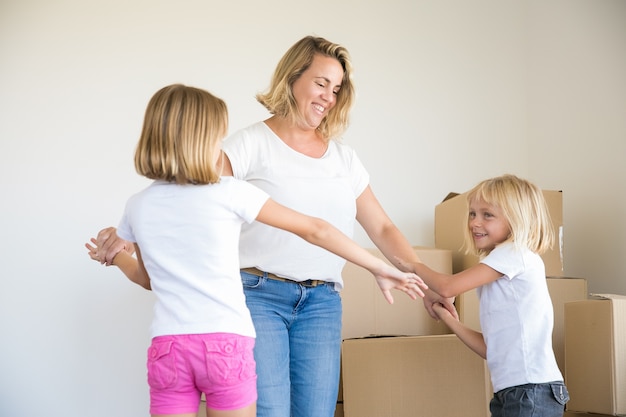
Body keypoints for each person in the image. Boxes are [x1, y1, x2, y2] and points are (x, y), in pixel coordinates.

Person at [92, 35, 454, 417]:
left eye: (337, 88)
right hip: (259, 296)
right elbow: (188, 197)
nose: (329, 97)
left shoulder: (344, 159)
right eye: (320, 83)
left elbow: (382, 229)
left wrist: (418, 276)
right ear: (292, 78)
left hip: (321, 303)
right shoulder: (248, 144)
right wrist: (126, 233)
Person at [396, 174, 570, 417]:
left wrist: (413, 265)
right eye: (472, 213)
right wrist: (446, 316)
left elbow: (448, 287)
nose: (475, 222)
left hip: (530, 391)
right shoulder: (499, 267)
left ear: (516, 220)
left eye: (487, 215)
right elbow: (491, 349)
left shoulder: (514, 254)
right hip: (513, 391)